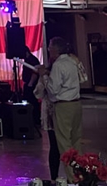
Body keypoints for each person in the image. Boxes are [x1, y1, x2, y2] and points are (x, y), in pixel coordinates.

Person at [36, 37, 83, 181]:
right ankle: (80, 174)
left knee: (64, 144)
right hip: (76, 104)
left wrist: (44, 75)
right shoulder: (73, 61)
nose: (48, 48)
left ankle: (72, 178)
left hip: (63, 105)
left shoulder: (58, 65)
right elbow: (83, 78)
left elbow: (52, 90)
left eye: (50, 46)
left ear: (55, 49)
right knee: (76, 141)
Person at [33, 63, 60, 181]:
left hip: (58, 111)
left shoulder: (53, 74)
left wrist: (43, 77)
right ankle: (55, 177)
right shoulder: (46, 75)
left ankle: (64, 178)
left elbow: (50, 91)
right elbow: (38, 93)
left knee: (59, 146)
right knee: (54, 146)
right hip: (50, 114)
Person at [22, 45, 41, 125]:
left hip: (31, 85)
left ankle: (35, 120)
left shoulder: (32, 60)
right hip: (28, 83)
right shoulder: (26, 60)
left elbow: (35, 72)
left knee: (32, 102)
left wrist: (30, 83)